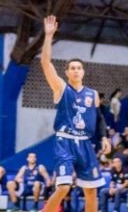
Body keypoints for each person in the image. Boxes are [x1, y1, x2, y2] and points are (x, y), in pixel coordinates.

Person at [40, 15, 110, 212]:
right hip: (65, 142)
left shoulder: (93, 94)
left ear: (83, 72)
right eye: (72, 68)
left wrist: (104, 137)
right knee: (63, 187)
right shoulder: (61, 88)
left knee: (91, 192)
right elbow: (45, 64)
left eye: (79, 68)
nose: (76, 71)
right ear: (67, 72)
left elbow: (99, 118)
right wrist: (48, 36)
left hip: (86, 144)